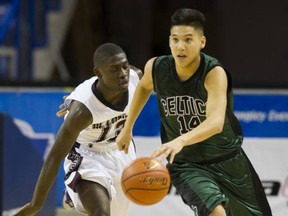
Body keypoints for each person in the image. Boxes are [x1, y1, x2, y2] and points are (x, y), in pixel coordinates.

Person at [116, 8, 272, 216]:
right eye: (175, 39)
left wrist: (180, 140)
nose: (180, 46)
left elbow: (215, 123)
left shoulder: (213, 73)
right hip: (186, 164)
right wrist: (127, 127)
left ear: (202, 42)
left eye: (188, 40)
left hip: (228, 160)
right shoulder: (156, 68)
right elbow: (144, 87)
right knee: (216, 213)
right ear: (169, 41)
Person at [14, 43, 142, 216]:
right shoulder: (82, 112)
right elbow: (54, 156)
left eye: (124, 66)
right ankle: (76, 189)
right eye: (114, 70)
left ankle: (73, 196)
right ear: (98, 73)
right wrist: (36, 204)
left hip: (120, 151)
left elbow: (143, 70)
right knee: (100, 213)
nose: (122, 74)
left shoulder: (135, 79)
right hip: (87, 156)